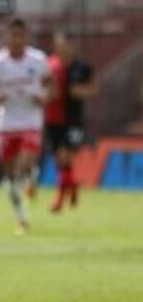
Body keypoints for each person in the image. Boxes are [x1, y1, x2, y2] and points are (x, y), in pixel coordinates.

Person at [0, 18, 54, 234]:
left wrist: (44, 97)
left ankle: (31, 174)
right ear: (7, 37)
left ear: (26, 36)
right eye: (13, 35)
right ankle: (21, 217)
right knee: (10, 176)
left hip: (31, 119)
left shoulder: (38, 60)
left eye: (20, 35)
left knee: (25, 163)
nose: (17, 39)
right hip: (6, 121)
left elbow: (50, 86)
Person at [46, 32, 97, 212]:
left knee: (65, 156)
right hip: (53, 120)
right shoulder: (49, 66)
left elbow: (93, 88)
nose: (62, 48)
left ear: (72, 46)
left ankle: (59, 200)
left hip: (74, 120)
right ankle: (73, 185)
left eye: (66, 45)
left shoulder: (82, 67)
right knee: (61, 160)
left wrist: (80, 91)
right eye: (59, 45)